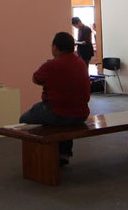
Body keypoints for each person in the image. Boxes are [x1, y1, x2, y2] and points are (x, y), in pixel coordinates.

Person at [20, 31, 91, 165]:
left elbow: (35, 79)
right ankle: (64, 153)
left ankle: (41, 157)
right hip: (81, 114)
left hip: (58, 113)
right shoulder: (80, 62)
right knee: (63, 119)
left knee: (24, 119)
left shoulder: (52, 65)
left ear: (55, 47)